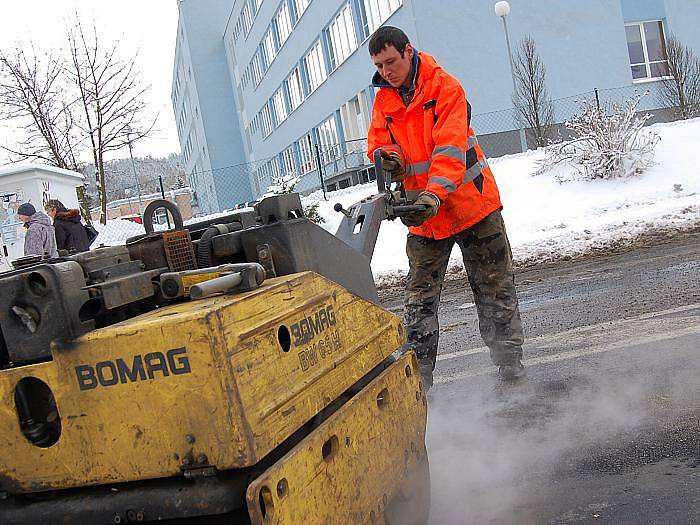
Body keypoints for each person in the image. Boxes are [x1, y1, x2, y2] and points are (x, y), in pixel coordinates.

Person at [366, 27, 525, 388]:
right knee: (418, 303)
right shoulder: (384, 102)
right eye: (379, 65)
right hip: (425, 217)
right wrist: (387, 159)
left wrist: (433, 194)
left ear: (409, 52)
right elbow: (378, 144)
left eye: (391, 62)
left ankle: (511, 371)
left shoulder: (445, 88)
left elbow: (450, 150)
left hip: (472, 207)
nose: (386, 71)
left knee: (494, 290)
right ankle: (419, 385)